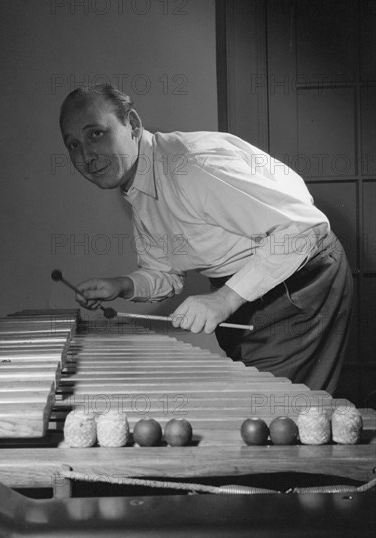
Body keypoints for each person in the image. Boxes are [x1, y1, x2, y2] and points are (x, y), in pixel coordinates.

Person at [59, 83, 353, 394]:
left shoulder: (192, 166)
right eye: (73, 145)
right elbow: (166, 273)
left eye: (96, 134)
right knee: (258, 412)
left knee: (277, 413)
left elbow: (304, 230)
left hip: (300, 280)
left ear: (132, 124)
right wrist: (122, 285)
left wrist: (224, 299)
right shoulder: (138, 183)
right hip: (250, 291)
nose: (87, 155)